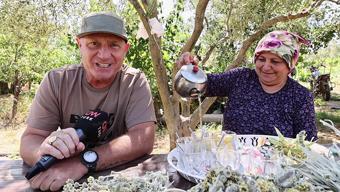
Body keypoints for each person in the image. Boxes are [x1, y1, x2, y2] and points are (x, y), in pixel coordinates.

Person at [20, 12, 156, 191]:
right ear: (80, 45)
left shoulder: (134, 81)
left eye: (114, 45)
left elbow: (143, 138)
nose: (104, 55)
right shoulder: (56, 80)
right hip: (64, 180)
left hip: (120, 182)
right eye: (94, 44)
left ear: (125, 49)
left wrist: (83, 162)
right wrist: (43, 153)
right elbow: (30, 139)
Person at [176, 30, 317, 141]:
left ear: (290, 67)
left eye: (275, 61)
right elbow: (205, 85)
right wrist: (190, 70)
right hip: (231, 164)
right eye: (261, 59)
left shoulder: (300, 96)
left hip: (276, 171)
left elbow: (307, 143)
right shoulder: (241, 78)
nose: (266, 67)